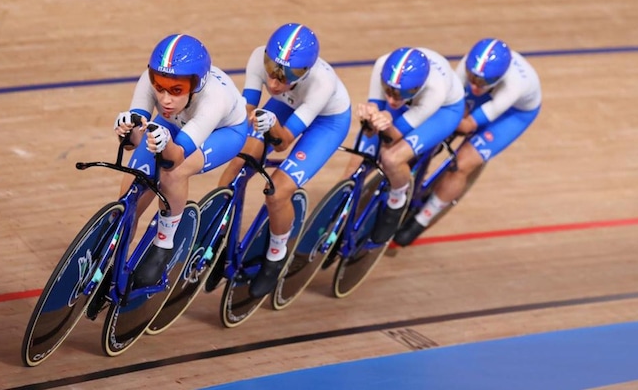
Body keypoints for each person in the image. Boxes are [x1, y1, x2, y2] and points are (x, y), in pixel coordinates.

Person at [216, 23, 352, 298]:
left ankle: (277, 255)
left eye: (284, 79)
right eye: (271, 75)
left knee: (277, 192)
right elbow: (246, 111)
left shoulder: (321, 83)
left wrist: (271, 127)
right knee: (239, 161)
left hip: (327, 123)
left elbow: (283, 143)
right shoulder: (258, 58)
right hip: (287, 105)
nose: (274, 84)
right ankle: (219, 232)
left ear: (303, 74)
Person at [114, 33, 249, 288]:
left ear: (195, 86)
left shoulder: (213, 101)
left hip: (223, 132)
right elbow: (133, 141)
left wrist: (163, 143)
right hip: (173, 122)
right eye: (160, 87)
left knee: (172, 174)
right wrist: (126, 129)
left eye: (176, 91)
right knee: (129, 199)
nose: (165, 99)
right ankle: (113, 257)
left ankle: (164, 242)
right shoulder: (149, 80)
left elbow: (174, 159)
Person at [393, 38, 541, 246]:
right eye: (472, 77)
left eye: (481, 81)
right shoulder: (469, 65)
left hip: (512, 115)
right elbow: (452, 102)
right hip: (487, 96)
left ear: (499, 77)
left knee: (462, 163)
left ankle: (423, 217)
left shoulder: (514, 85)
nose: (474, 84)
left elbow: (468, 125)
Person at [356, 46, 466, 245]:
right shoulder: (382, 64)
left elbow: (392, 137)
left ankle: (397, 201)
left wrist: (384, 122)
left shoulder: (435, 90)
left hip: (443, 111)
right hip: (412, 100)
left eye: (399, 94)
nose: (391, 99)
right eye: (387, 91)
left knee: (391, 158)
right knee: (359, 155)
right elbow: (374, 115)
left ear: (418, 88)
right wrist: (368, 118)